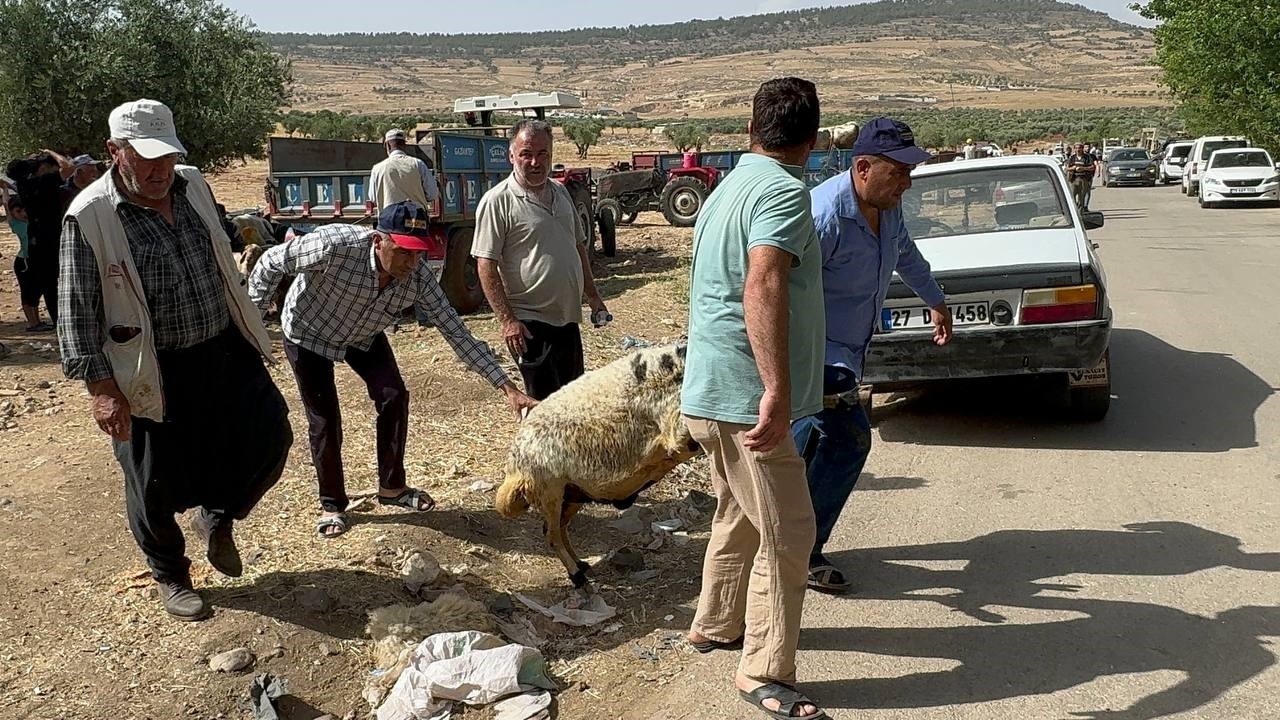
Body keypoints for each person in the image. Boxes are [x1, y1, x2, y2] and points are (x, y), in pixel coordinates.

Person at [57, 99, 293, 621]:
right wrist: (101, 389)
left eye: (167, 156)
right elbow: (75, 312)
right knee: (150, 479)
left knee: (269, 434)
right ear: (114, 152)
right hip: (148, 364)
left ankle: (220, 515)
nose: (160, 170)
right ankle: (170, 574)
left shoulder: (192, 184)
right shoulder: (90, 215)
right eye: (145, 159)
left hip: (222, 346)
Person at [248, 200, 538, 538]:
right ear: (378, 241)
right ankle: (332, 504)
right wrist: (251, 325)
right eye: (403, 251)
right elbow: (270, 261)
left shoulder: (419, 278)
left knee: (394, 396)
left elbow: (456, 332)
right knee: (325, 419)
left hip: (364, 333)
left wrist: (508, 388)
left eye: (418, 253)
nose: (411, 262)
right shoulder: (334, 245)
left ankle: (392, 488)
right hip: (309, 330)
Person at [681, 77, 829, 720]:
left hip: (711, 389)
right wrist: (775, 388)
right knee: (790, 532)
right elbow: (762, 281)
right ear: (815, 141)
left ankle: (716, 623)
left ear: (751, 131)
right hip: (746, 398)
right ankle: (765, 671)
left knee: (740, 515)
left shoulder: (728, 188)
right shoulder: (782, 192)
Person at [794, 118, 954, 594]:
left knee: (808, 451)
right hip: (814, 355)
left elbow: (906, 254)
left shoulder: (888, 208)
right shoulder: (822, 216)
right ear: (863, 167)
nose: (908, 182)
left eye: (911, 172)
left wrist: (937, 301)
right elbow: (780, 289)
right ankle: (801, 551)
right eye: (900, 172)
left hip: (849, 351)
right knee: (848, 439)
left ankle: (783, 544)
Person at [472, 119, 609, 400]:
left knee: (573, 403)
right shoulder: (498, 201)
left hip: (567, 319)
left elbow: (577, 246)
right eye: (526, 154)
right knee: (544, 408)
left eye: (542, 154)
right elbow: (485, 264)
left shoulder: (560, 193)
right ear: (512, 156)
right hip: (530, 324)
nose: (535, 162)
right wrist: (508, 320)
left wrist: (593, 297)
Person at [11, 152, 73, 323]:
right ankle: (64, 319)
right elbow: (68, 167)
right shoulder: (44, 182)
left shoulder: (23, 186)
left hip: (35, 239)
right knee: (61, 279)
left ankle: (57, 321)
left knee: (49, 284)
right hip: (52, 237)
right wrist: (49, 152)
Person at [6, 196, 51, 331]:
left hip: (35, 261)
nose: (23, 214)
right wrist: (6, 187)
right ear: (13, 213)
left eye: (25, 211)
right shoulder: (15, 224)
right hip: (23, 262)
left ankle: (37, 321)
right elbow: (6, 203)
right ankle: (32, 323)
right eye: (18, 211)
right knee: (27, 292)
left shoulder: (34, 223)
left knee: (36, 292)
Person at [1066, 142, 1097, 210]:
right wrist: (1073, 168)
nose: (1078, 150)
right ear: (1074, 149)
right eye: (1076, 148)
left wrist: (1083, 168)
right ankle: (1074, 210)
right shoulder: (1072, 158)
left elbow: (1092, 167)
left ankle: (1081, 213)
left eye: (1079, 148)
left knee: (1081, 198)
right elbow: (1067, 168)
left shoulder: (1087, 157)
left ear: (1082, 148)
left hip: (1084, 180)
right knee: (1072, 197)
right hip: (1074, 180)